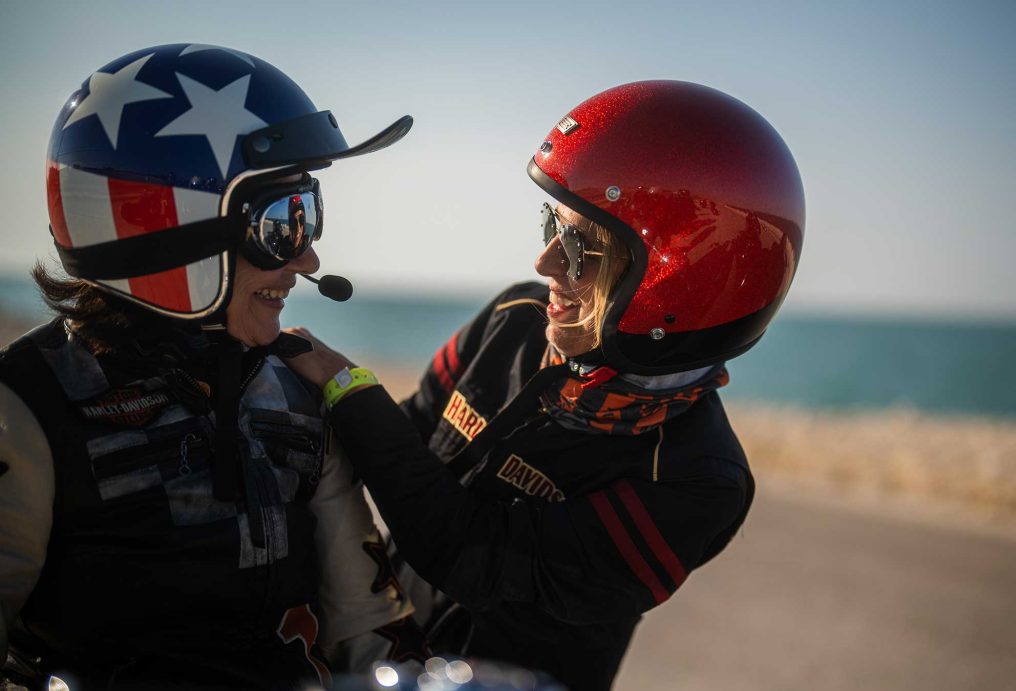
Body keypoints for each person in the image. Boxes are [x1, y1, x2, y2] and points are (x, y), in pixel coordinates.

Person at [283, 81, 805, 690]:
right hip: (377, 663)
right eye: (551, 224)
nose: (545, 262)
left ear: (676, 283)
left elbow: (471, 555)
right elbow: (412, 429)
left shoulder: (695, 479)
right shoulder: (517, 318)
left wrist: (348, 386)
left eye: (582, 247)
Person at [0, 44, 426, 689]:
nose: (308, 260)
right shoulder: (28, 405)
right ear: (176, 229)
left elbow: (370, 629)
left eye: (308, 213)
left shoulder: (298, 393)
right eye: (282, 223)